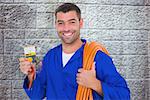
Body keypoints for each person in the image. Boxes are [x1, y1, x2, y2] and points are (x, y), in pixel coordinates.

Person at [19, 3, 130, 100]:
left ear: (80, 23)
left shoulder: (96, 57)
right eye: (61, 23)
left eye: (71, 22)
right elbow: (36, 96)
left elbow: (124, 96)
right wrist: (31, 76)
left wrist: (95, 84)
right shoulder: (51, 57)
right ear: (56, 25)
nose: (66, 28)